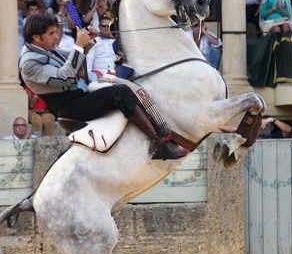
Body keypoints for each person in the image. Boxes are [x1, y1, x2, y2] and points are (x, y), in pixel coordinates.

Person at [19, 12, 187, 159]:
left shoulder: (44, 49)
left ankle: (164, 133)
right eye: (51, 33)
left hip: (78, 97)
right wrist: (79, 45)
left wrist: (89, 41)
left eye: (56, 32)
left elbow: (73, 58)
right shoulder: (29, 62)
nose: (57, 37)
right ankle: (157, 144)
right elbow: (65, 76)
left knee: (129, 85)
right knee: (120, 93)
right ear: (36, 37)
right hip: (70, 108)